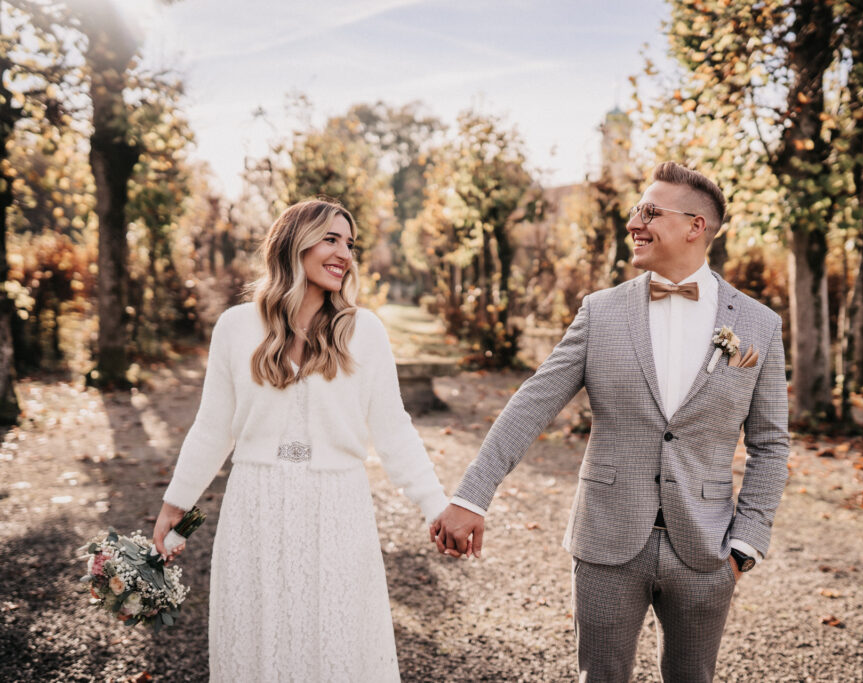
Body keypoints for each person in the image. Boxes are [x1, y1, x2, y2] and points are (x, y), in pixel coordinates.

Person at [431, 162, 790, 682]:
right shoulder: (600, 312)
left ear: (696, 226)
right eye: (635, 210)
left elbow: (771, 444)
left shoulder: (760, 324)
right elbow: (532, 404)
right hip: (605, 544)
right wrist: (471, 497)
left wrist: (745, 544)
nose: (633, 222)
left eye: (649, 212)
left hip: (708, 550)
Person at [153, 198, 448, 681]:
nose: (344, 254)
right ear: (294, 243)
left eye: (349, 244)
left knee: (335, 645)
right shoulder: (235, 327)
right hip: (255, 507)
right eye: (331, 239)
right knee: (258, 645)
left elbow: (394, 430)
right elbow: (212, 427)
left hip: (338, 508)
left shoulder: (364, 331)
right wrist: (175, 505)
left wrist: (436, 506)